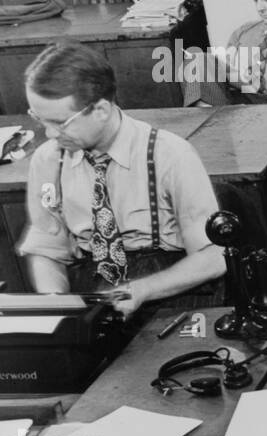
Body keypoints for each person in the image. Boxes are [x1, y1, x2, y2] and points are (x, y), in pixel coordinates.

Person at [20, 40, 225, 317]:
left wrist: (141, 290)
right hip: (97, 290)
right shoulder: (48, 160)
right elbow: (46, 250)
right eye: (39, 119)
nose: (50, 134)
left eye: (60, 123)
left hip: (171, 294)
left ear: (101, 110)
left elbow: (213, 258)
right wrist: (57, 304)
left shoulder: (170, 155)